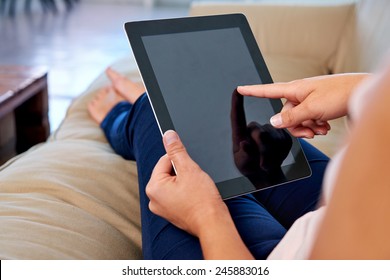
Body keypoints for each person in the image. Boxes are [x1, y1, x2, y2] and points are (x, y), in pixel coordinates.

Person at [88, 61, 388, 259]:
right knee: (250, 133)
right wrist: (361, 89)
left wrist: (207, 216)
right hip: (338, 216)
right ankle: (149, 106)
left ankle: (129, 116)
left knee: (156, 117)